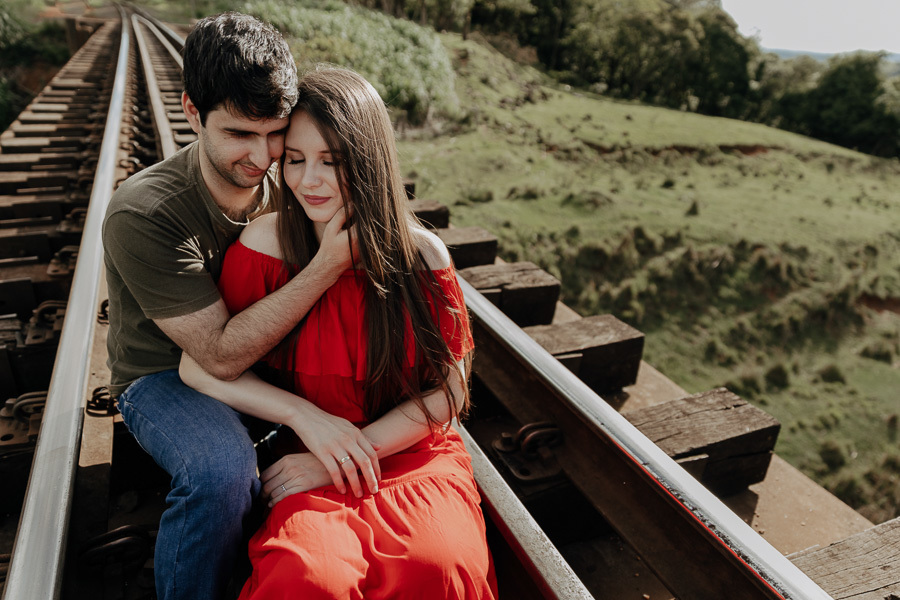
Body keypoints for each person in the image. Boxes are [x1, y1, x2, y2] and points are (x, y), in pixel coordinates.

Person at [179, 66, 498, 599]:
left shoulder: (421, 257)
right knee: (307, 579)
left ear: (370, 163)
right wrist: (310, 426)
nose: (309, 182)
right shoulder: (263, 247)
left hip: (410, 452)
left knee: (438, 570)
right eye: (297, 161)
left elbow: (451, 389)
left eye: (333, 162)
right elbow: (200, 367)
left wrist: (354, 452)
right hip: (306, 454)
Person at [102, 14, 380, 600]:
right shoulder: (145, 214)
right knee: (222, 474)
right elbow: (219, 357)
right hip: (165, 375)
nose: (262, 157)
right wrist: (327, 265)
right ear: (191, 112)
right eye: (238, 134)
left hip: (272, 353)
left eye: (274, 132)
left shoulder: (294, 178)